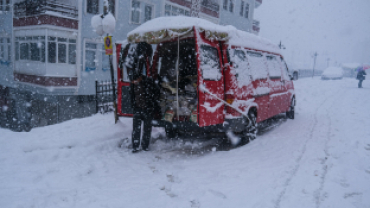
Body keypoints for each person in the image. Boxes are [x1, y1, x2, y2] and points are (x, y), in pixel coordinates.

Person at [121, 42, 155, 153]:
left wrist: (149, 107)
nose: (134, 82)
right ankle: (136, 146)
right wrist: (135, 107)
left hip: (146, 108)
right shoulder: (133, 84)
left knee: (146, 128)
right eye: (133, 81)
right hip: (138, 108)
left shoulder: (147, 82)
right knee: (137, 128)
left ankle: (145, 146)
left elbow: (152, 94)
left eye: (135, 80)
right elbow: (132, 96)